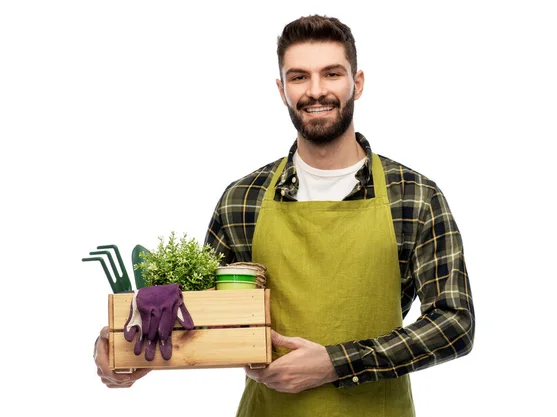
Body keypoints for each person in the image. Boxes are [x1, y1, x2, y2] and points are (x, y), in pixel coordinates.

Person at [94, 14, 475, 416]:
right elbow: (198, 320)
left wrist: (336, 362)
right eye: (298, 77)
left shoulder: (413, 195)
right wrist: (124, 345)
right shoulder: (243, 200)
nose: (315, 91)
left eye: (331, 74)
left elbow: (454, 324)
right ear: (282, 89)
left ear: (356, 83)